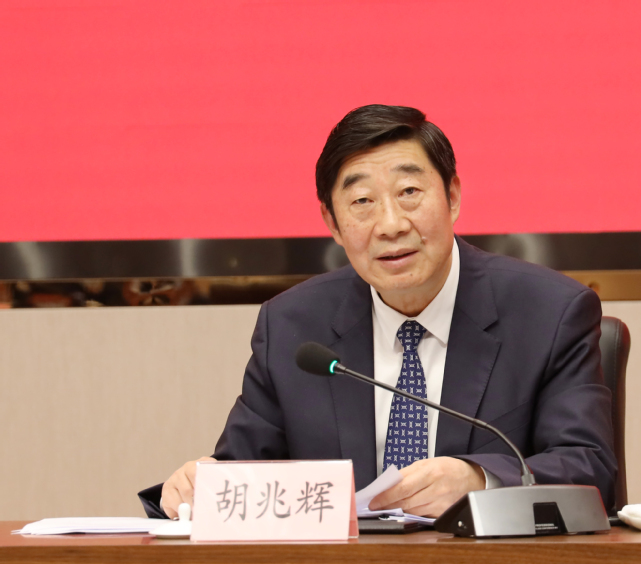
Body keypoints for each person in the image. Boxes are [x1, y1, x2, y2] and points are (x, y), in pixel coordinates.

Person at [139, 104, 616, 519]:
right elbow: (244, 473)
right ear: (332, 223)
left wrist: (480, 479)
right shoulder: (293, 327)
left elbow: (589, 468)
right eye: (362, 202)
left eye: (409, 192)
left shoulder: (550, 313)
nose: (390, 225)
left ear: (452, 197)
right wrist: (203, 487)